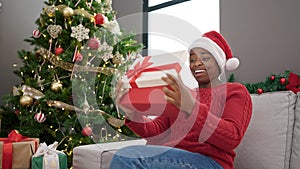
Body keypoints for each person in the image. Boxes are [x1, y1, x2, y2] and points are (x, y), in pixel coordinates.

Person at [110, 31, 253, 169]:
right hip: (173, 159)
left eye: (205, 58)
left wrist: (192, 108)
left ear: (219, 62)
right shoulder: (183, 94)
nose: (196, 64)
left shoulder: (235, 91)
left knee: (127, 157)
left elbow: (232, 138)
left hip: (209, 162)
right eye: (192, 60)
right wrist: (132, 114)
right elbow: (157, 132)